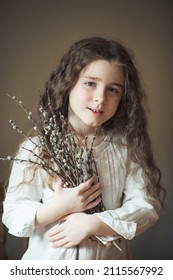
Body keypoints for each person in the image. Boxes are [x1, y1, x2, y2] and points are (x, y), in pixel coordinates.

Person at [2, 37, 165, 260]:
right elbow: (13, 213)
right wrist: (59, 208)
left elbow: (146, 207)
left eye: (113, 89)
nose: (100, 98)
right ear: (68, 83)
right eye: (90, 83)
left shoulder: (125, 149)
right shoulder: (38, 148)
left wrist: (95, 223)